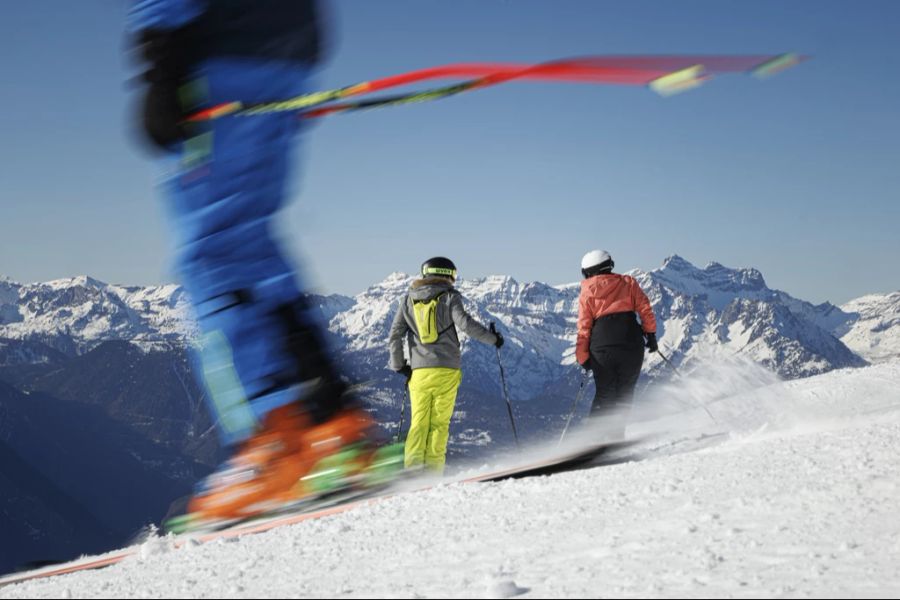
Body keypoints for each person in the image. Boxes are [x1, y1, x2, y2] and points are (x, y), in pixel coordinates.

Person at [129, 0, 374, 523]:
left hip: (216, 44)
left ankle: (272, 443)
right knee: (250, 238)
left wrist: (160, 52)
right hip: (290, 42)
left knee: (211, 252)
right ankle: (333, 427)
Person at [388, 257, 503, 473]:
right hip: (447, 370)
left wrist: (399, 365)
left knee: (418, 424)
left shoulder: (407, 301)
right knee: (439, 425)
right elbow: (466, 324)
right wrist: (494, 339)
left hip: (419, 372)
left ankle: (412, 474)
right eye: (453, 275)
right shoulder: (450, 297)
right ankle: (433, 473)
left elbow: (395, 335)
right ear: (445, 274)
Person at [575, 250, 657, 440]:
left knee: (605, 393)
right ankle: (616, 438)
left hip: (603, 348)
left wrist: (583, 357)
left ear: (587, 272)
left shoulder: (588, 292)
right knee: (625, 394)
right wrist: (651, 335)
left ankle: (592, 441)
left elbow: (584, 328)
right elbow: (645, 308)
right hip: (632, 345)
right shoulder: (628, 283)